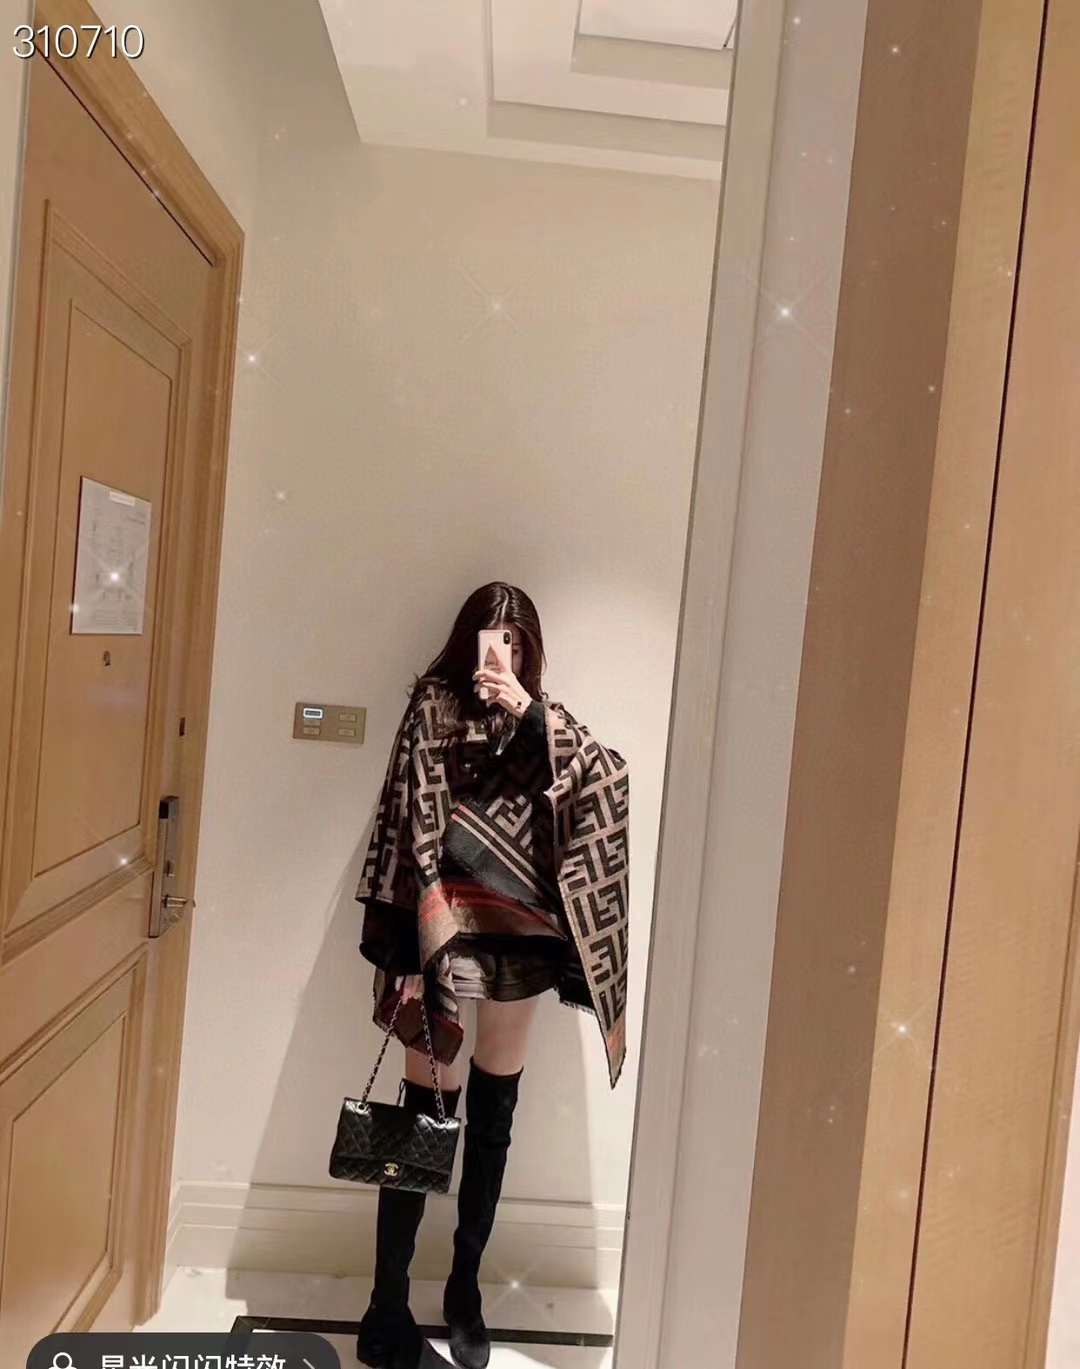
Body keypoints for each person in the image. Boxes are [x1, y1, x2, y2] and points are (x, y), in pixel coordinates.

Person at [353, 582, 630, 1369]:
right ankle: (386, 1301)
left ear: (529, 648)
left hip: (520, 934)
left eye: (514, 640)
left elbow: (608, 778)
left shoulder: (543, 715)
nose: (499, 654)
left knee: (495, 1111)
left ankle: (465, 1289)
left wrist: (529, 712)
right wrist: (408, 951)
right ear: (466, 638)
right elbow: (409, 820)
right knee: (421, 1113)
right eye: (490, 637)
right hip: (440, 931)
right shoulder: (433, 707)